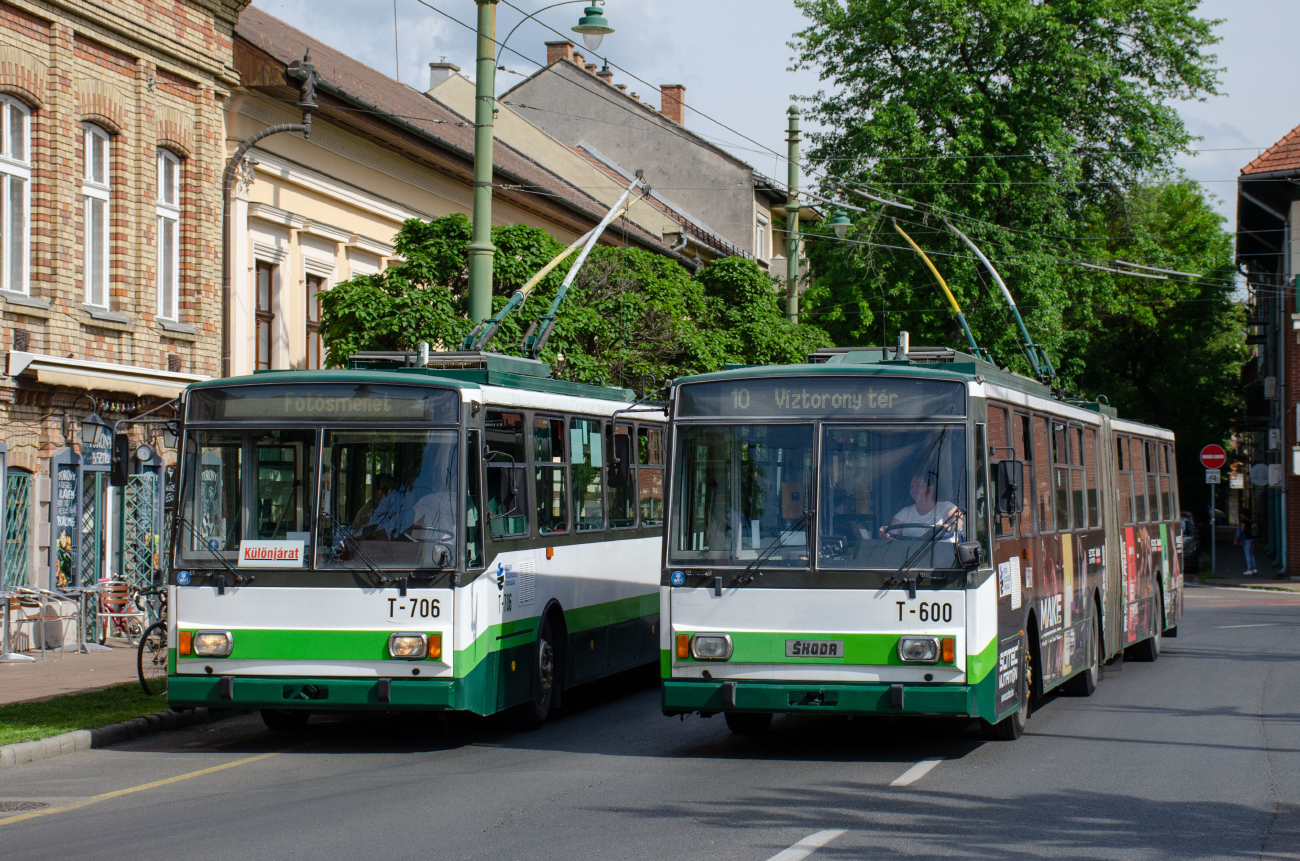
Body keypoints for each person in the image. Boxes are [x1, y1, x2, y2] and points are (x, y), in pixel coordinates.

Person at [881, 469, 964, 541]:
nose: (913, 489)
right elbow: (891, 534)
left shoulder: (945, 507)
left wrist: (955, 522)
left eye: (917, 486)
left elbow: (956, 518)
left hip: (944, 556)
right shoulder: (905, 512)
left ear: (930, 489)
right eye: (911, 486)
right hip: (912, 557)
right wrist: (885, 533)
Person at [1236, 512, 1258, 576]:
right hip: (1253, 537)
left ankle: (1249, 569)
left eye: (1242, 514)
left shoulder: (1244, 522)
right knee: (1251, 553)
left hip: (1247, 538)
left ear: (1244, 515)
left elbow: (1242, 530)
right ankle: (1254, 568)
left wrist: (1238, 536)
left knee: (1247, 554)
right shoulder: (1251, 521)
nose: (1241, 515)